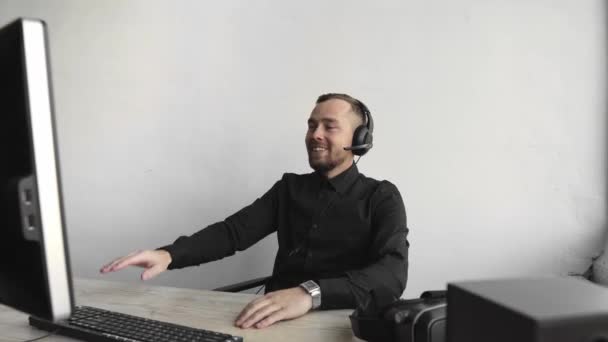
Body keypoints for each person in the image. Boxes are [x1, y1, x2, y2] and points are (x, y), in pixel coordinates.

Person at [100, 93, 409, 329]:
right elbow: (233, 233)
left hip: (338, 323)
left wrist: (309, 294)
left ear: (359, 140)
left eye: (329, 126)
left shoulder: (381, 197)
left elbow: (391, 275)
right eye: (312, 125)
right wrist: (169, 255)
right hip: (268, 320)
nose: (315, 134)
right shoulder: (289, 189)